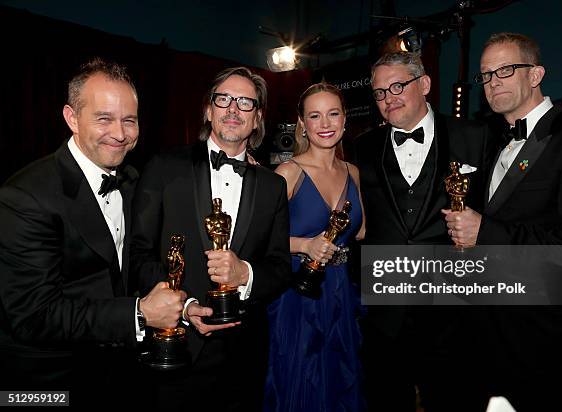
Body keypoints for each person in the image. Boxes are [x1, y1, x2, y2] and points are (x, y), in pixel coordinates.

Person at [0, 58, 186, 407]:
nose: (119, 133)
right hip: (45, 383)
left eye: (129, 120)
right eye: (104, 118)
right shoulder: (25, 196)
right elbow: (33, 316)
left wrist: (184, 303)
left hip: (116, 374)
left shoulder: (130, 181)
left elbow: (129, 263)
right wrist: (140, 313)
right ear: (72, 118)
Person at [443, 32, 562, 411]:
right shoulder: (491, 142)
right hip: (485, 332)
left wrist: (485, 232)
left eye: (505, 70)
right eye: (486, 75)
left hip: (544, 336)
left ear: (535, 75)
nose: (493, 82)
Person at [130, 66, 291, 411]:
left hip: (244, 354)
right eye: (224, 99)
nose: (233, 109)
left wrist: (245, 273)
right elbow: (137, 255)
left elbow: (279, 267)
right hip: (176, 347)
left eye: (245, 102)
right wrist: (183, 307)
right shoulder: (163, 166)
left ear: (258, 118)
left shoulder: (273, 186)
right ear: (208, 109)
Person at [353, 51, 492, 411]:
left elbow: (502, 207)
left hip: (453, 312)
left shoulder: (475, 136)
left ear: (425, 84)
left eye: (398, 86)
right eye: (380, 92)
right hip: (385, 312)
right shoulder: (362, 147)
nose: (388, 98)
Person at [264, 83, 366, 411]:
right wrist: (305, 244)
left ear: (345, 120)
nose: (325, 123)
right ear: (302, 124)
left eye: (333, 113)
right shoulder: (288, 173)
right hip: (298, 296)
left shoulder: (353, 172)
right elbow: (261, 240)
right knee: (298, 382)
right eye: (315, 115)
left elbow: (361, 232)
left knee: (341, 382)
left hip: (342, 293)